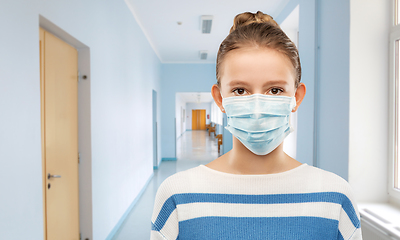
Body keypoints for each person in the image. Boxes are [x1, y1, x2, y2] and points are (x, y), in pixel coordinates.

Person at [151, 11, 361, 240]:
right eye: (240, 90)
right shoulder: (177, 196)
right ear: (220, 98)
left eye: (275, 90)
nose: (258, 108)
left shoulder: (335, 198)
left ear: (297, 97)